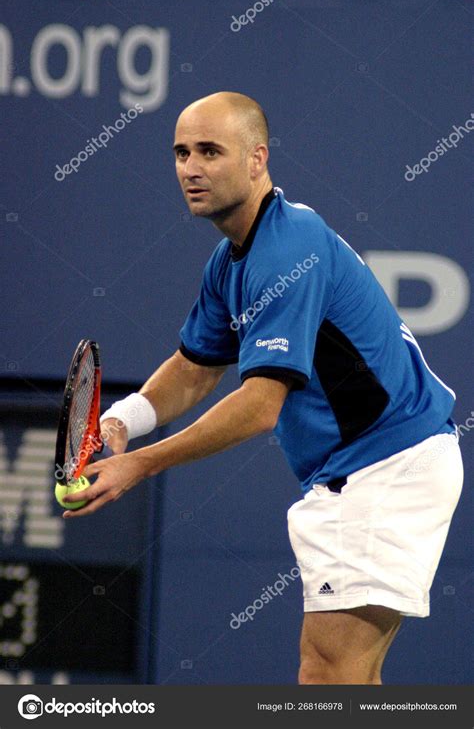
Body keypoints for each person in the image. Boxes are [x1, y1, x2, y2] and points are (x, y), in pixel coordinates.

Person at [63, 92, 464, 685]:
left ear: (257, 159)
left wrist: (139, 465)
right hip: (370, 470)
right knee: (345, 678)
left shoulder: (288, 247)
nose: (191, 168)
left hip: (386, 467)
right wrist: (122, 422)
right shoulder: (231, 262)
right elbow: (195, 366)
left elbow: (258, 408)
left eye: (209, 151)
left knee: (329, 676)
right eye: (180, 152)